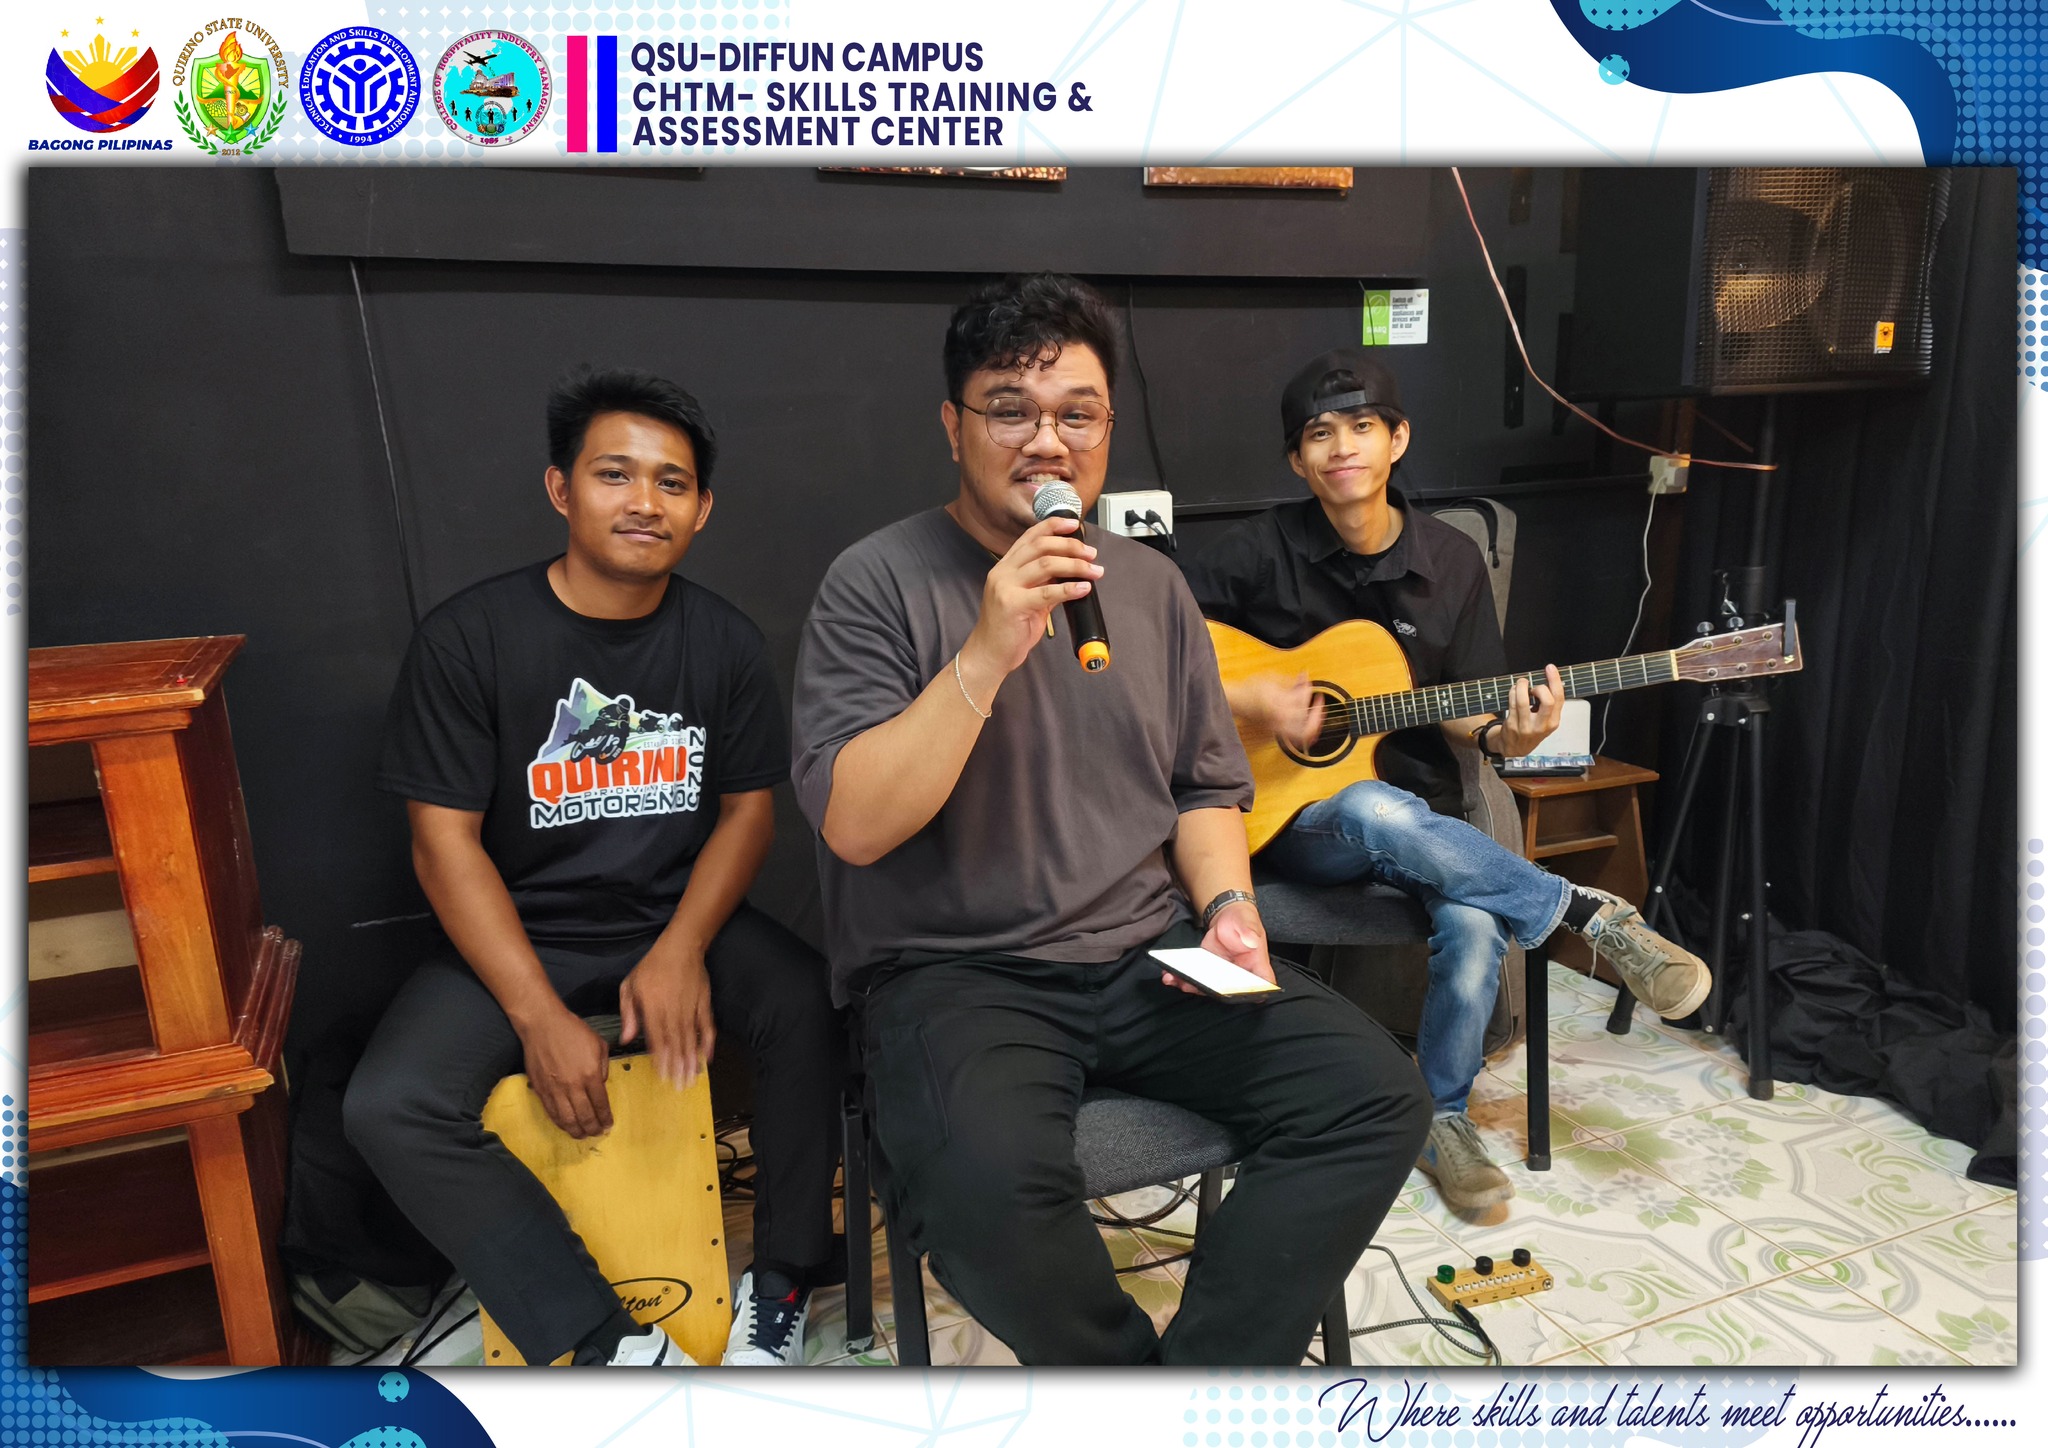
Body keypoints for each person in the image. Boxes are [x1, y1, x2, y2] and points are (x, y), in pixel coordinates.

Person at [790, 275, 1431, 1365]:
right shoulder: (875, 582)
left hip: (1147, 954)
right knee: (985, 1190)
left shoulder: (1148, 586)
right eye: (1011, 409)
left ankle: (1197, 1390)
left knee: (1374, 1095)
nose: (1048, 441)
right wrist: (987, 648)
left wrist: (1227, 908)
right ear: (952, 424)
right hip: (957, 973)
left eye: (1076, 414)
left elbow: (1203, 787)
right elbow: (854, 825)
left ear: (1106, 429)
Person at [348, 368, 843, 1367]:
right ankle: (607, 1343)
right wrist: (536, 1015)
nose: (644, 501)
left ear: (702, 508)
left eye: (671, 482)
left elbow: (747, 814)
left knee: (806, 1001)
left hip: (666, 917)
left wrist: (682, 948)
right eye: (614, 473)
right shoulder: (470, 639)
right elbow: (442, 844)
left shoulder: (723, 641)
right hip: (518, 932)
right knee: (389, 1104)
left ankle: (784, 1281)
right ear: (560, 489)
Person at [1181, 348, 1711, 1214]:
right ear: (1296, 459)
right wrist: (1251, 697)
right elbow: (1159, 653)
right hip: (1288, 825)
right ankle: (1585, 914)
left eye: (1362, 427)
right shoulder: (1252, 553)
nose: (1342, 448)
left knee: (1472, 920)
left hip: (1424, 820)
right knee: (1366, 803)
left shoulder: (1451, 560)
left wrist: (1511, 732)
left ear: (1397, 440)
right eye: (1319, 435)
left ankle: (1444, 1116)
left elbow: (1472, 712)